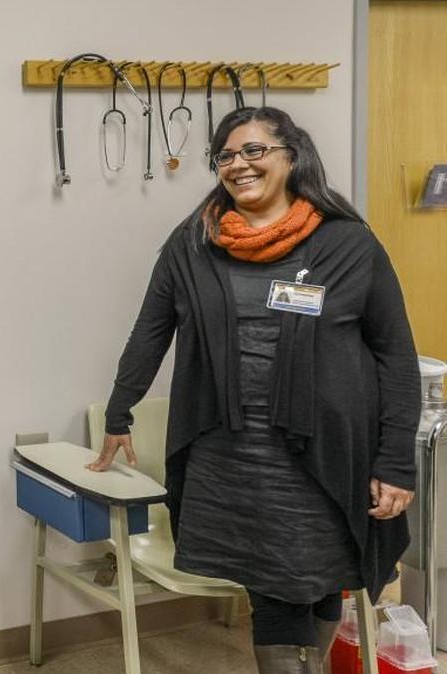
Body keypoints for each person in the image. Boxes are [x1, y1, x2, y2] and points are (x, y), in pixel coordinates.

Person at [90, 107, 421, 673]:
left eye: (254, 150)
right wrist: (119, 412)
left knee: (316, 581)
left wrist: (396, 462)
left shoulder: (348, 245)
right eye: (225, 155)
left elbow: (394, 355)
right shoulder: (194, 243)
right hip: (231, 455)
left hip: (322, 454)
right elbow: (150, 332)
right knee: (275, 587)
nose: (238, 164)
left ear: (292, 156)